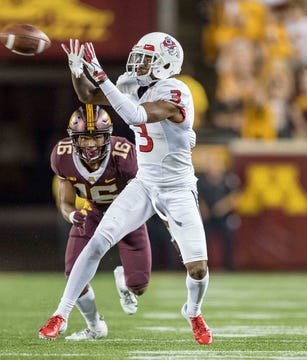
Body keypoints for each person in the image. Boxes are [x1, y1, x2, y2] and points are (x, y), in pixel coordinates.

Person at [39, 34, 212, 345]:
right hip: (144, 184)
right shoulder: (133, 84)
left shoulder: (177, 91)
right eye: (139, 56)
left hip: (176, 188)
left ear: (166, 62)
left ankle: (193, 310)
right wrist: (77, 71)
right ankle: (60, 314)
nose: (139, 63)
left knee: (198, 269)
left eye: (147, 58)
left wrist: (104, 77)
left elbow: (137, 115)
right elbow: (90, 97)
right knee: (96, 243)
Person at [50, 104, 152, 340]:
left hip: (127, 213)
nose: (91, 144)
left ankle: (124, 279)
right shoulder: (62, 155)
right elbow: (65, 202)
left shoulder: (124, 154)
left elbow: (144, 190)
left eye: (96, 137)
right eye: (84, 137)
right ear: (74, 138)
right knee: (73, 271)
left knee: (139, 286)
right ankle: (95, 325)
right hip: (93, 211)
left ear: (108, 136)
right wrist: (72, 215)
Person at [197, 149, 240, 271]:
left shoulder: (229, 178)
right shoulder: (200, 179)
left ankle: (229, 265)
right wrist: (202, 207)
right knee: (202, 238)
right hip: (206, 216)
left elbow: (235, 196)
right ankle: (202, 265)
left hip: (224, 216)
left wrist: (223, 206)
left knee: (228, 235)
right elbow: (196, 196)